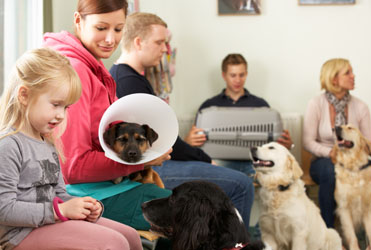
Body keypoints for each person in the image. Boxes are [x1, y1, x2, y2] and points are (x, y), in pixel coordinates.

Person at [110, 12, 254, 230]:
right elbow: (167, 144)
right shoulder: (129, 83)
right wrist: (205, 159)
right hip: (154, 166)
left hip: (159, 160)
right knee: (242, 184)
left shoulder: (130, 78)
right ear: (138, 42)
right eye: (160, 42)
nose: (165, 49)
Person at [43, 0, 172, 231]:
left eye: (118, 29)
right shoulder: (77, 71)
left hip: (102, 186)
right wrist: (141, 161)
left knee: (193, 207)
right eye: (101, 28)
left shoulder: (94, 68)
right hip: (80, 195)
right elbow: (72, 168)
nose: (111, 39)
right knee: (195, 215)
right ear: (77, 21)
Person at [0, 47, 142, 250]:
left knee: (130, 237)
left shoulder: (47, 143)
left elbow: (58, 193)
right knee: (114, 243)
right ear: (24, 95)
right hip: (20, 235)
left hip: (51, 221)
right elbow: (3, 209)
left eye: (65, 108)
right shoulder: (9, 146)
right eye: (56, 104)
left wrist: (83, 205)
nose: (61, 115)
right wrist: (61, 210)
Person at [185, 53, 293, 179]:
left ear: (246, 74)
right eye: (233, 75)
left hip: (254, 162)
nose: (238, 80)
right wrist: (188, 141)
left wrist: (289, 145)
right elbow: (195, 143)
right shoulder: (208, 107)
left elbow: (274, 147)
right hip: (220, 162)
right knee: (208, 172)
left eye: (241, 75)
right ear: (224, 75)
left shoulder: (261, 105)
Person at [303, 58, 371, 228]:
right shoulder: (316, 104)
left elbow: (369, 142)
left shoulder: (361, 106)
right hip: (324, 159)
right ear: (334, 79)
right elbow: (307, 141)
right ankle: (329, 234)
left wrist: (365, 150)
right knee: (329, 171)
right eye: (347, 72)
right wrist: (329, 153)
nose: (353, 76)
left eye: (352, 71)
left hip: (354, 159)